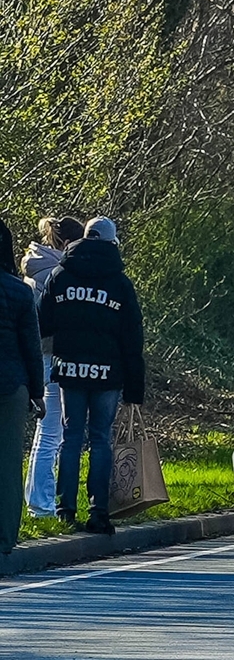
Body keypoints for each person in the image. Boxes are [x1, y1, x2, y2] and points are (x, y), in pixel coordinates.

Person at [39, 216, 145, 535]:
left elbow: (43, 322)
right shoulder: (120, 283)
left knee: (71, 437)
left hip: (70, 368)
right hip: (108, 374)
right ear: (112, 242)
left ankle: (65, 510)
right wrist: (134, 390)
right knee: (100, 439)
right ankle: (98, 512)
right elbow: (132, 339)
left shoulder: (61, 274)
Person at [22, 216, 85, 518]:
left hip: (40, 357)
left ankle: (38, 498)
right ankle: (41, 503)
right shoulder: (57, 273)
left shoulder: (36, 268)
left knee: (46, 432)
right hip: (54, 357)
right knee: (51, 433)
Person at [0, 218, 46, 554]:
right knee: (7, 463)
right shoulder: (19, 291)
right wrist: (37, 392)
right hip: (10, 385)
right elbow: (31, 345)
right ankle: (4, 538)